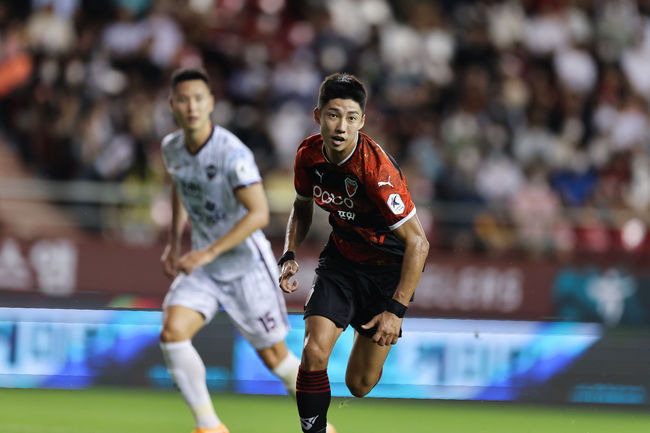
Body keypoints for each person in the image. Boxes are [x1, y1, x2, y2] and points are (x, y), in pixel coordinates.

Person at [279, 73, 430, 433]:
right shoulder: (308, 154)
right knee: (313, 353)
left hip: (385, 274)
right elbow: (301, 206)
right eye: (333, 115)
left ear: (362, 121)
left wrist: (396, 311)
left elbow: (418, 243)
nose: (341, 126)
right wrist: (288, 253)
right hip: (341, 263)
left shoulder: (377, 171)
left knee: (359, 385)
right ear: (318, 116)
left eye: (350, 117)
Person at [158, 68, 300, 433]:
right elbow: (180, 185)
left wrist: (205, 253)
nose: (191, 107)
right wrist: (174, 244)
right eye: (184, 99)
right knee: (173, 331)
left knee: (276, 359)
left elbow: (259, 214)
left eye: (198, 99)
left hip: (246, 266)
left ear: (211, 104)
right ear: (173, 104)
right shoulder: (171, 147)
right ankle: (209, 426)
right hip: (204, 266)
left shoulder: (231, 153)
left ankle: (320, 425)